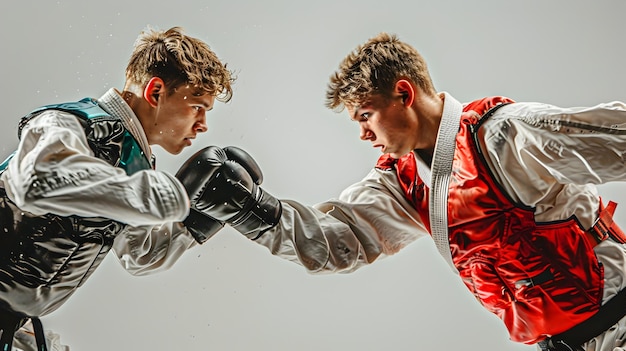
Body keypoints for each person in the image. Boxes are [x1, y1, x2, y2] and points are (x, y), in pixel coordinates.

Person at [184, 32, 626, 351]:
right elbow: (337, 243)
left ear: (403, 93)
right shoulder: (403, 182)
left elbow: (616, 138)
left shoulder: (504, 136)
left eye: (365, 115)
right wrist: (250, 210)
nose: (362, 134)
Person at [0, 26, 236, 351]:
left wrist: (201, 217)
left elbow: (139, 254)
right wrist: (157, 197)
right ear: (155, 93)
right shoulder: (70, 125)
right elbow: (36, 179)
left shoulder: (132, 162)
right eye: (198, 106)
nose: (203, 124)